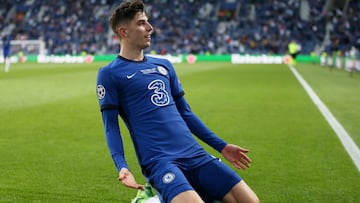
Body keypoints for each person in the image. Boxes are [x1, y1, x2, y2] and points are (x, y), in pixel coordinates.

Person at [96, 1, 259, 203]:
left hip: (195, 154)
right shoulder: (110, 74)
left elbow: (186, 113)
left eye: (147, 22)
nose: (150, 27)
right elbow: (111, 126)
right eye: (141, 23)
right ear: (124, 31)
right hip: (160, 161)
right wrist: (122, 166)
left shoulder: (164, 66)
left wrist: (222, 147)